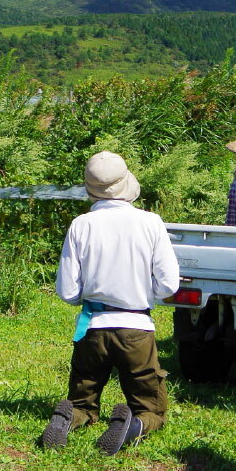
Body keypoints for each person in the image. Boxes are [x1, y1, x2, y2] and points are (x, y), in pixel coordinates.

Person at [40, 151, 180, 455]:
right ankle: (134, 424)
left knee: (82, 402)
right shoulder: (150, 222)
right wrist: (145, 293)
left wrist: (90, 295)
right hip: (136, 327)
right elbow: (170, 284)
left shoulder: (81, 224)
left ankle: (68, 418)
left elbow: (67, 290)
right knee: (151, 408)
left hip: (93, 328)